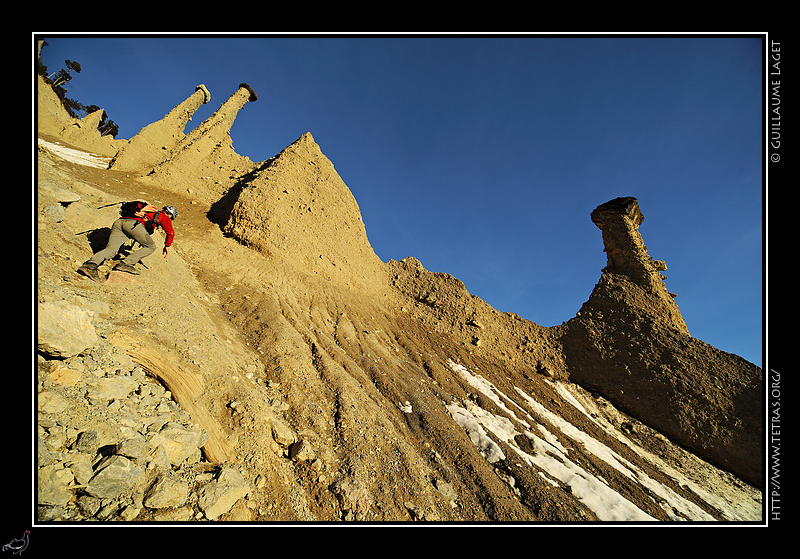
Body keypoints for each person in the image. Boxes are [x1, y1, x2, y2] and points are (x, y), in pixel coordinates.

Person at [77, 201, 177, 281]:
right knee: (150, 246)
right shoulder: (164, 217)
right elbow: (170, 233)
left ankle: (90, 265)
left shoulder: (147, 211)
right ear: (170, 215)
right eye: (171, 218)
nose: (170, 219)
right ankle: (126, 263)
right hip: (134, 225)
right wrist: (167, 245)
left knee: (111, 250)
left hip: (119, 222)